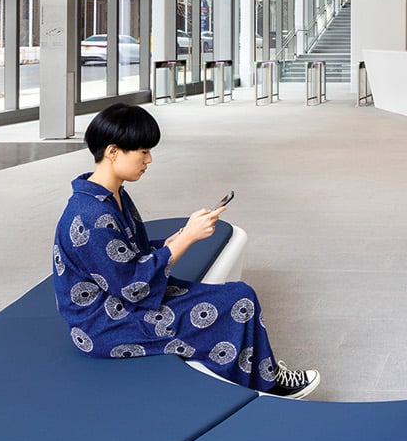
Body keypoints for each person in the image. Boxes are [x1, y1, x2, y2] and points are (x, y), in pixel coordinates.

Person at [53, 103, 319, 397]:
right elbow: (132, 286)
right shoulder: (90, 216)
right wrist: (187, 239)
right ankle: (258, 387)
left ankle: (263, 378)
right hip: (105, 325)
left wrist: (179, 236)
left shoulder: (111, 196)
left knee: (241, 295)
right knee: (236, 303)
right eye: (143, 151)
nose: (149, 159)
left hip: (121, 305)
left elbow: (130, 255)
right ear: (114, 152)